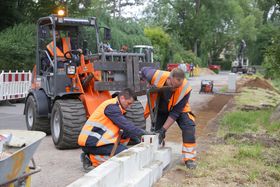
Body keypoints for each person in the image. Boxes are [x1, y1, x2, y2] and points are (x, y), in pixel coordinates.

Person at [78, 88, 151, 168]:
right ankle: (90, 158)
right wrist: (145, 133)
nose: (129, 107)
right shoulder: (112, 107)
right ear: (122, 98)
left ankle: (94, 154)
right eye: (129, 103)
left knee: (126, 136)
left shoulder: (117, 107)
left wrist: (139, 141)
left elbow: (126, 130)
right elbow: (127, 126)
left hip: (96, 142)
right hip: (90, 143)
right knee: (123, 154)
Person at [141, 67, 197, 169]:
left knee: (189, 127)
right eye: (171, 85)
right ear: (169, 77)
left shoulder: (185, 88)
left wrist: (164, 129)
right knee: (156, 132)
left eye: (176, 87)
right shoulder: (155, 76)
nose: (173, 89)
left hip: (179, 109)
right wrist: (147, 82)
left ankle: (189, 159)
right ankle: (156, 154)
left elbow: (175, 113)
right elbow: (143, 70)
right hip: (161, 108)